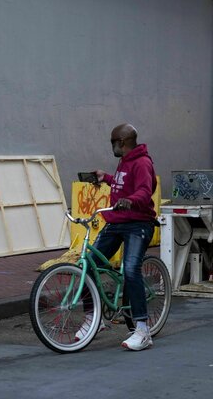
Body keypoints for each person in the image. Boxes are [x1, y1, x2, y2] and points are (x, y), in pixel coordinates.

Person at [86, 123, 157, 351]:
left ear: (122, 142)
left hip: (138, 223)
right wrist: (105, 177)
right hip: (117, 221)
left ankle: (143, 329)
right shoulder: (124, 161)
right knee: (89, 264)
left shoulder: (142, 162)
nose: (112, 146)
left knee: (131, 269)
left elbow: (145, 191)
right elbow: (122, 184)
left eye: (113, 142)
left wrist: (131, 200)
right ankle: (94, 320)